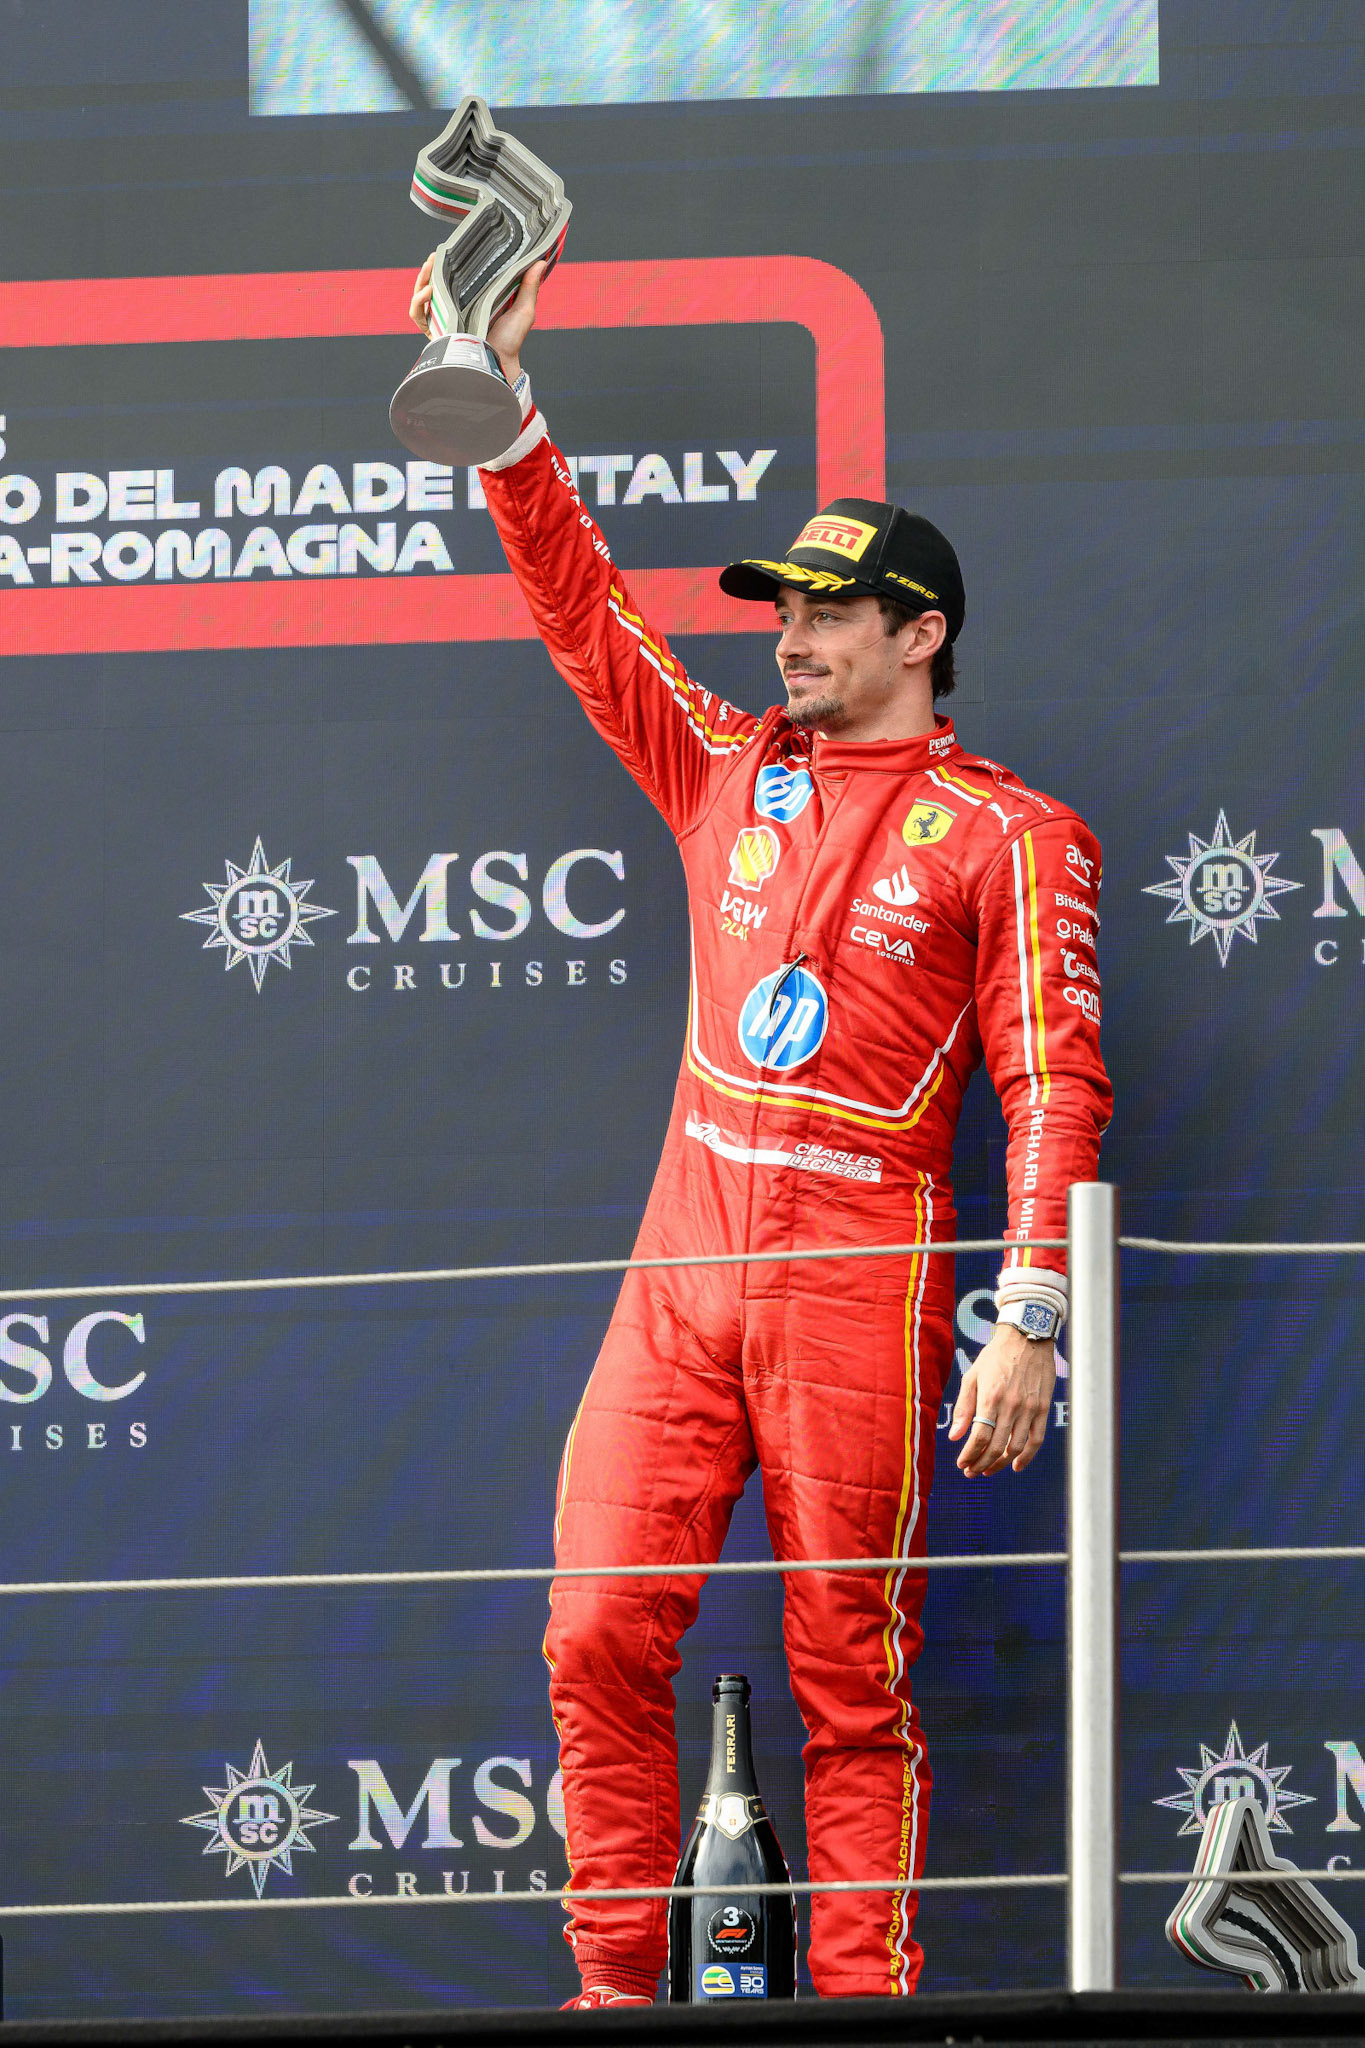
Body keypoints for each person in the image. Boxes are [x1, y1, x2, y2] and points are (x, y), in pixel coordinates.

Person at [410, 255, 1112, 2005]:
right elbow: (585, 612)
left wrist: (1029, 1315)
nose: (785, 636)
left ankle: (863, 2010)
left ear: (918, 633)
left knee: (846, 1679)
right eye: (778, 609)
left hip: (860, 1286)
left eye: (825, 612)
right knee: (591, 1633)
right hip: (683, 1275)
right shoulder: (728, 764)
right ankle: (611, 1995)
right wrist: (507, 418)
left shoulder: (1014, 833)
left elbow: (1055, 1084)